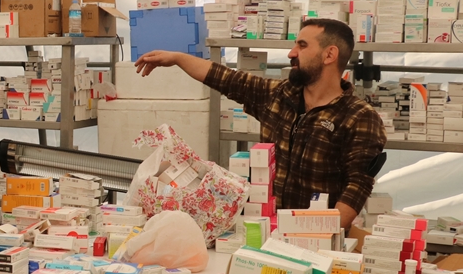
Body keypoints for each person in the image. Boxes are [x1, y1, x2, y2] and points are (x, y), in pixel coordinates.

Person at [135, 18, 386, 230]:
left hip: (316, 236)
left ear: (330, 54)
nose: (291, 53)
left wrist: (320, 234)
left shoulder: (359, 116)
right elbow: (227, 79)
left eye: (301, 45)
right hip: (268, 229)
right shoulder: (280, 95)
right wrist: (178, 58)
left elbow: (357, 187)